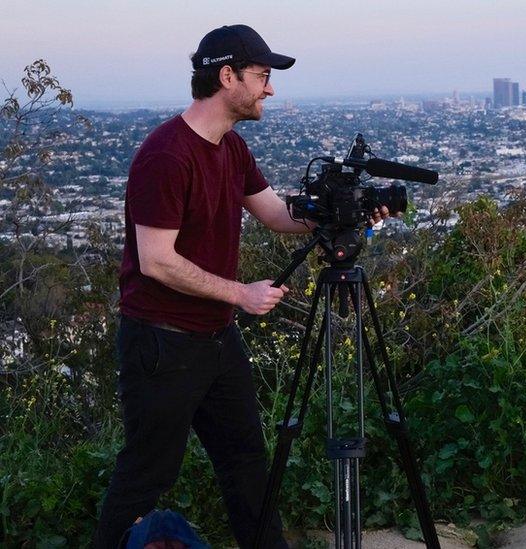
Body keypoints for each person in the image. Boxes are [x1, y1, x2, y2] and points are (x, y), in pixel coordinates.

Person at [94, 24, 387, 548]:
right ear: (226, 76)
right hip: (162, 343)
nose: (269, 88)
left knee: (248, 465)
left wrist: (352, 214)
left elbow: (277, 215)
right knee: (146, 474)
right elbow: (156, 261)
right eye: (262, 76)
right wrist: (240, 294)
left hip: (214, 339)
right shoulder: (167, 154)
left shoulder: (230, 149)